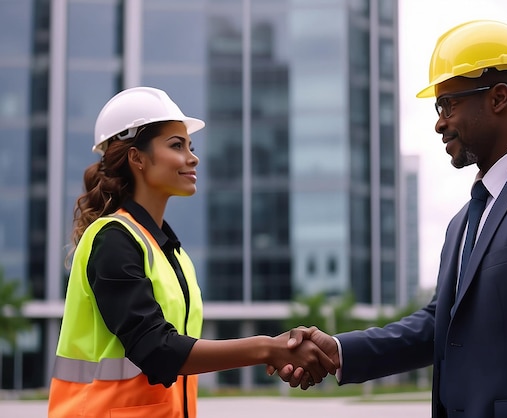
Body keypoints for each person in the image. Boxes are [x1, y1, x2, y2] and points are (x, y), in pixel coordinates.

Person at [270, 20, 507, 417]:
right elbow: (439, 324)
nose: (439, 122)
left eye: (447, 104)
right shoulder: (462, 222)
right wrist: (338, 351)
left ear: (498, 98)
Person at [48, 87, 336, 418]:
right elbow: (156, 350)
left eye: (190, 146)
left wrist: (275, 349)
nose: (192, 157)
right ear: (137, 158)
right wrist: (269, 349)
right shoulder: (113, 240)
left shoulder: (171, 253)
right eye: (176, 145)